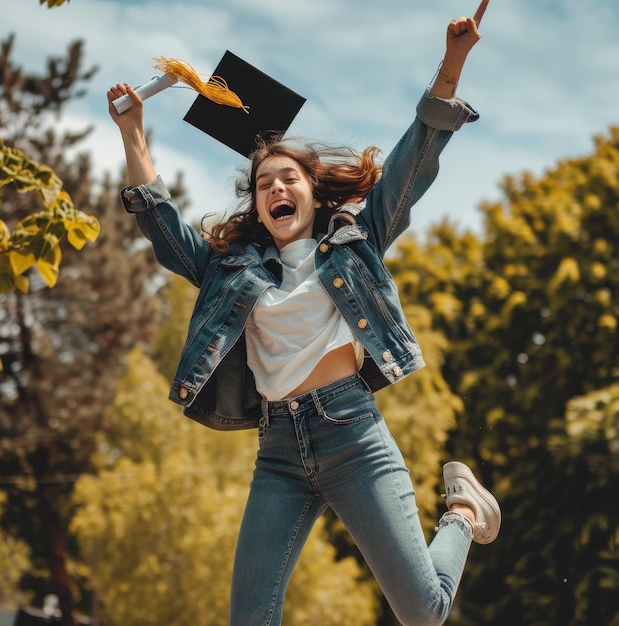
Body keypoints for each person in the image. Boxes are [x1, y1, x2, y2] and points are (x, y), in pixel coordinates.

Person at [107, 5, 500, 626]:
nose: (275, 190)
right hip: (279, 451)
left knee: (423, 614)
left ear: (313, 193)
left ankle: (461, 516)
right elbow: (163, 224)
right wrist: (133, 133)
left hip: (353, 438)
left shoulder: (357, 239)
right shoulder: (231, 269)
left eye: (287, 179)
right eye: (263, 185)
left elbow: (413, 161)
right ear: (258, 207)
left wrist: (452, 63)